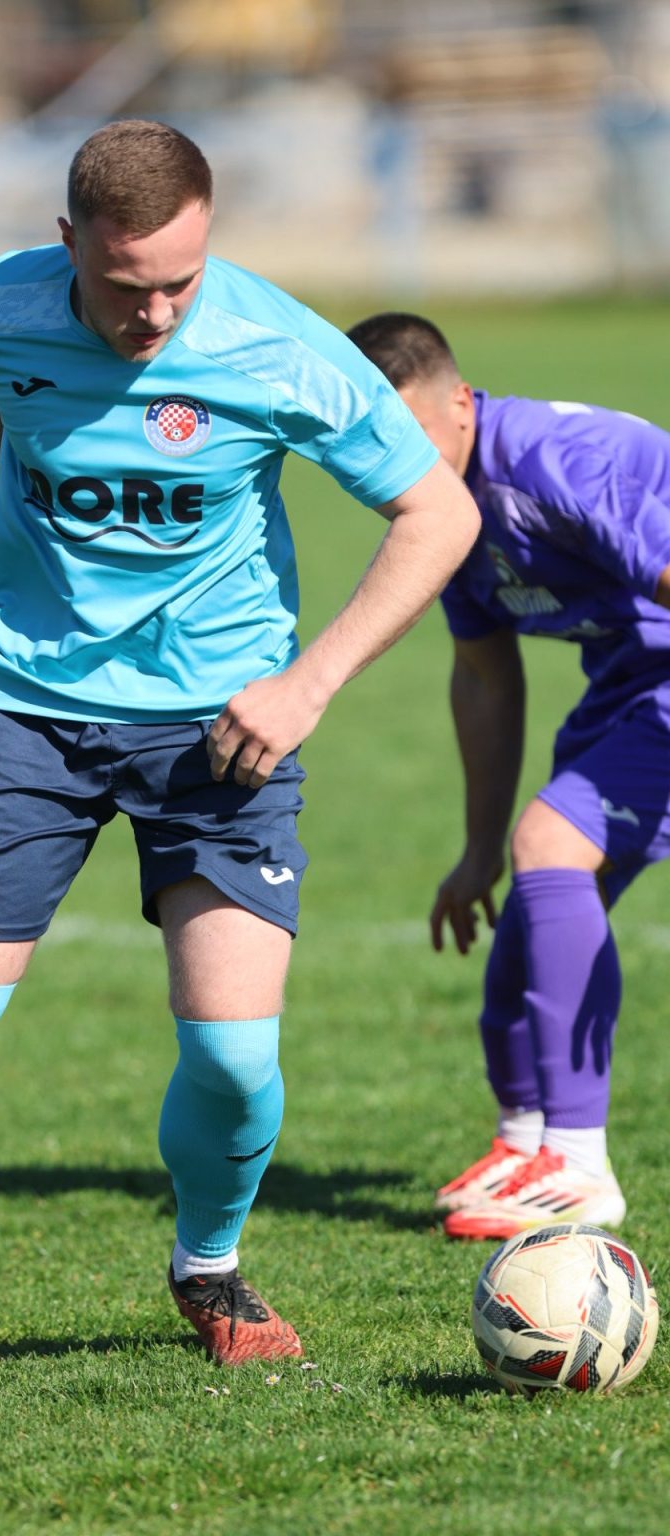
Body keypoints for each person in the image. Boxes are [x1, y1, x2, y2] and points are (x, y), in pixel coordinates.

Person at [0, 124, 478, 1363]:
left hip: (222, 730)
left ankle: (209, 1268)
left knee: (233, 1055)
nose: (159, 313)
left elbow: (439, 513)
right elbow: (0, 404)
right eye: (127, 286)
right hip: (29, 705)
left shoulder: (279, 349)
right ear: (68, 243)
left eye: (183, 280)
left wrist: (308, 683)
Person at [347, 309, 670, 1241]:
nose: (387, 463)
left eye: (404, 432)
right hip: (628, 683)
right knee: (532, 906)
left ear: (460, 402)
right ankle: (527, 1141)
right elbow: (486, 677)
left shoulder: (552, 465)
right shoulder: (442, 510)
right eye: (364, 443)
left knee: (551, 846)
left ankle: (578, 1164)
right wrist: (478, 847)